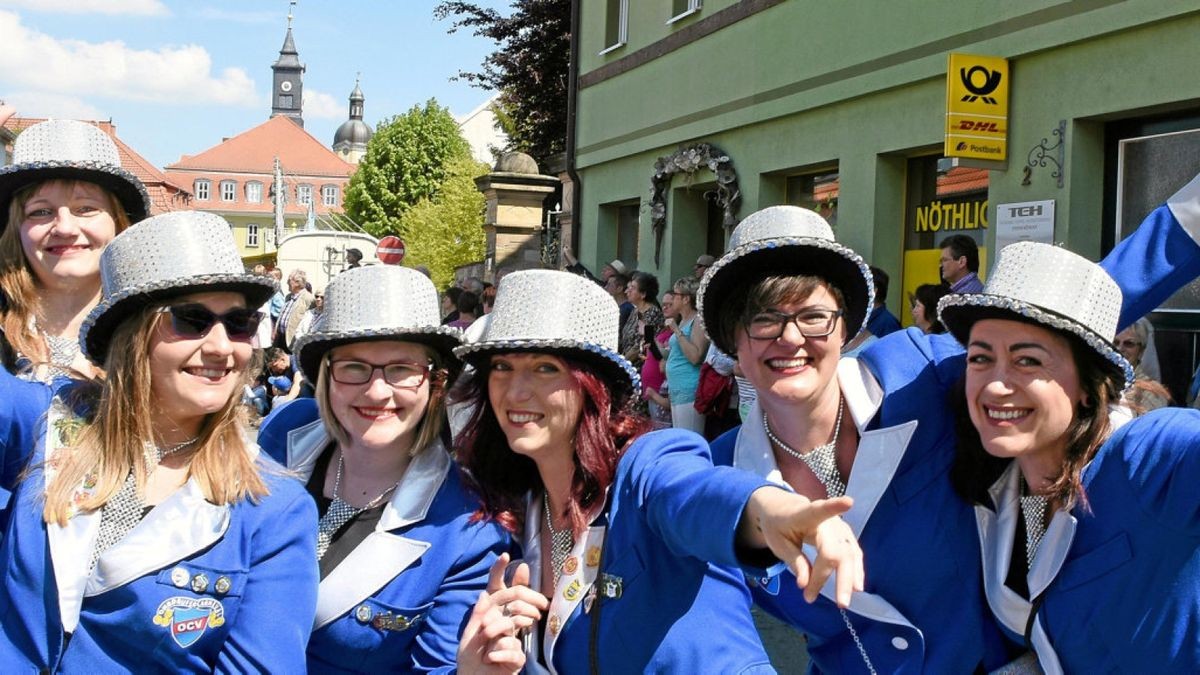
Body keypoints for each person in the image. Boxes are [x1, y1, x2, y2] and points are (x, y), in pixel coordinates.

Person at [450, 269, 863, 674]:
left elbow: (692, 491)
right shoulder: (509, 510)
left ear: (593, 385)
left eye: (545, 368)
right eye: (502, 366)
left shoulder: (645, 463)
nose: (516, 390)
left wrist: (771, 510)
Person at [698, 205, 1011, 673]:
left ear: (844, 329)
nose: (790, 337)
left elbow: (1036, 336)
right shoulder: (721, 475)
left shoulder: (915, 373)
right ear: (733, 345)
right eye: (763, 319)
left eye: (814, 316)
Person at [0, 210, 316, 671]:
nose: (221, 346)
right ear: (132, 336)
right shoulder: (47, 419)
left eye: (239, 323)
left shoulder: (272, 508)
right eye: (192, 320)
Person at [940, 240, 1200, 672]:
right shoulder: (993, 490)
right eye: (980, 358)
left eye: (1027, 360)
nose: (996, 385)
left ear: (1087, 385)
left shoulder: (1147, 455)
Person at [256, 264, 509, 672]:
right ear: (326, 376)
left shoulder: (467, 528)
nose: (376, 391)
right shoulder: (283, 434)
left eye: (401, 369)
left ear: (435, 383)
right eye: (354, 366)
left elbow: (438, 667)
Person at [0, 118, 150, 381]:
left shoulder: (161, 335)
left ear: (118, 223)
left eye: (86, 209)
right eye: (41, 212)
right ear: (16, 230)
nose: (65, 228)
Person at [663, 276, 709, 433]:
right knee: (679, 438)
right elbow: (676, 353)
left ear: (686, 299)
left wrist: (676, 330)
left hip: (689, 389)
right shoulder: (682, 321)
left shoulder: (697, 320)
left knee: (689, 438)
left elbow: (696, 356)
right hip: (676, 389)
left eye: (675, 295)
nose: (672, 298)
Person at [1114, 317, 1170, 413]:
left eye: (1129, 343)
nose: (1120, 348)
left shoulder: (1152, 391)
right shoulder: (1098, 380)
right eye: (1115, 342)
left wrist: (1132, 403)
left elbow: (1150, 425)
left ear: (1141, 351)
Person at [618, 271, 662, 369]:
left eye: (632, 288)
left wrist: (620, 364)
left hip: (640, 368)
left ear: (643, 294)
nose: (626, 291)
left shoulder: (652, 313)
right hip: (628, 365)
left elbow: (639, 347)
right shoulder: (635, 310)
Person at [274, 269, 314, 352]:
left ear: (297, 283)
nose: (287, 282)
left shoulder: (309, 299)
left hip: (293, 343)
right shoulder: (288, 297)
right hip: (281, 339)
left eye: (289, 280)